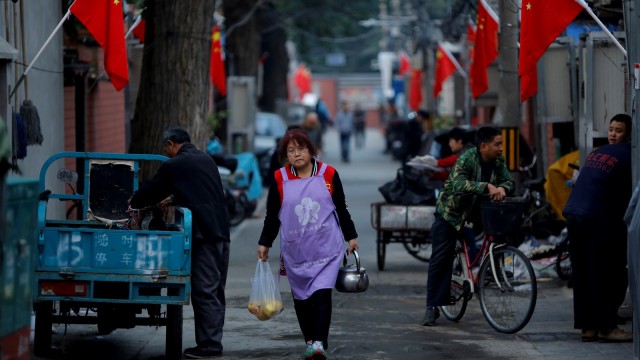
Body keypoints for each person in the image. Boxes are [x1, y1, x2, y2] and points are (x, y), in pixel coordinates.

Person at [257, 129, 359, 360]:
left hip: (326, 250)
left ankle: (319, 344)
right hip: (296, 253)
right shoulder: (279, 179)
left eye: (301, 149)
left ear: (311, 150)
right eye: (290, 151)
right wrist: (265, 243)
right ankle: (310, 342)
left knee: (322, 295)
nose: (296, 154)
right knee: (302, 299)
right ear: (285, 155)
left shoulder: (329, 174)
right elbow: (272, 216)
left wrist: (350, 236)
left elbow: (341, 208)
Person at [129, 128, 230, 359]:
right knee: (215, 291)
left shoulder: (175, 165)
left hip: (204, 235)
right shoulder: (205, 159)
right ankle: (212, 341)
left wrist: (134, 201)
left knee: (204, 291)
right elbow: (198, 191)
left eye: (166, 148)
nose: (167, 153)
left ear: (172, 144)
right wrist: (173, 199)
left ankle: (210, 347)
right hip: (222, 232)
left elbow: (148, 192)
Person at [421, 126, 515, 326]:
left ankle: (488, 269)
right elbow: (458, 184)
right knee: (441, 257)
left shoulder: (498, 160)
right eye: (497, 144)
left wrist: (501, 187)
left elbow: (509, 181)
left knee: (499, 232)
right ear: (483, 146)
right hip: (451, 213)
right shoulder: (466, 158)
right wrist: (486, 186)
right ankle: (432, 307)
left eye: (501, 144)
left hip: (476, 211)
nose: (500, 149)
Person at [562, 113, 633, 342]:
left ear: (628, 133)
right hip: (595, 217)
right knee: (610, 271)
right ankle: (607, 327)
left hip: (574, 212)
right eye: (611, 129)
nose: (613, 134)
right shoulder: (632, 155)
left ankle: (588, 327)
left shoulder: (597, 152)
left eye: (618, 130)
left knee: (583, 272)